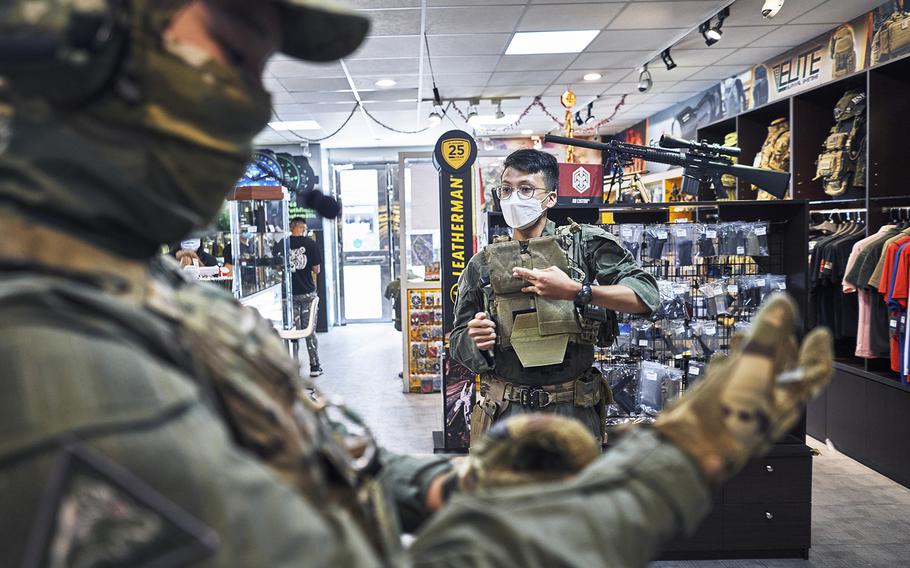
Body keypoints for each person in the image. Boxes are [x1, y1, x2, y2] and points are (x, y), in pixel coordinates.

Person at [0, 2, 834, 567]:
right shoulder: (55, 370)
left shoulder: (147, 293)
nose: (252, 104)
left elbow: (310, 457)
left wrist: (441, 483)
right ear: (70, 59)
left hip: (568, 393)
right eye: (231, 59)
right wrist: (672, 467)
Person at [449, 149, 660, 446]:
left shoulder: (583, 244)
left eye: (525, 189)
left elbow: (646, 295)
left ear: (550, 198)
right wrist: (476, 339)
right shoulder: (482, 264)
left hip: (572, 413)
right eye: (506, 189)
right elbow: (458, 340)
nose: (514, 198)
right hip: (505, 414)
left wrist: (578, 291)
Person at [274, 217, 323, 376]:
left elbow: (276, 267)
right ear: (303, 228)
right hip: (308, 293)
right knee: (310, 331)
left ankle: (294, 368)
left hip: (289, 295)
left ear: (291, 227)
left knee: (292, 332)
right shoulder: (311, 244)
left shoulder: (282, 244)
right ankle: (314, 366)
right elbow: (317, 270)